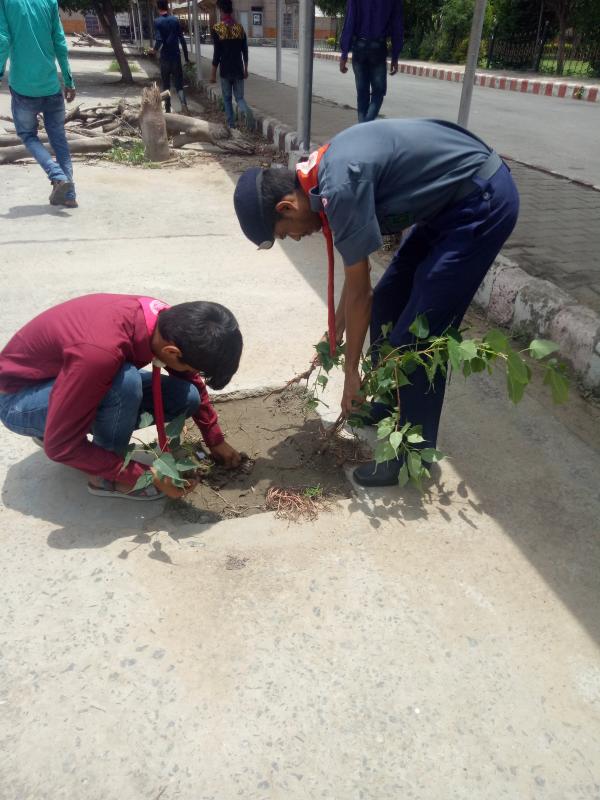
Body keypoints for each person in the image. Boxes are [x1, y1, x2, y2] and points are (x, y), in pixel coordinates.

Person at [232, 118, 519, 487]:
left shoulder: (339, 187)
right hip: (447, 206)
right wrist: (336, 330)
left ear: (287, 207)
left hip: (481, 203)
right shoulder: (317, 182)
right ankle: (386, 402)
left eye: (286, 233)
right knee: (387, 303)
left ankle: (411, 456)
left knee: (418, 337)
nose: (296, 237)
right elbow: (361, 287)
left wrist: (351, 373)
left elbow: (358, 291)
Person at [0, 294, 243, 500]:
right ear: (172, 352)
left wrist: (214, 439)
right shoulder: (99, 353)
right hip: (18, 400)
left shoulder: (165, 322)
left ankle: (65, 425)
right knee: (124, 383)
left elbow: (191, 380)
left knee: (186, 397)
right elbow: (59, 447)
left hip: (65, 380)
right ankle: (104, 479)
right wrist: (145, 475)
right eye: (195, 368)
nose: (195, 374)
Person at [0, 0, 77, 207]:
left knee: (27, 135)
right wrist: (69, 80)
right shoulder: (49, 1)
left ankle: (57, 176)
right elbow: (59, 41)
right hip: (51, 87)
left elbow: (3, 40)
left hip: (23, 88)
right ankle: (69, 195)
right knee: (59, 139)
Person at [339, 0, 403, 123]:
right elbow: (397, 25)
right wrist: (395, 55)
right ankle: (364, 129)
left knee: (362, 94)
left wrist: (344, 53)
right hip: (378, 47)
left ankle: (362, 129)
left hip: (359, 45)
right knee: (378, 93)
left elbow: (350, 21)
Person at [210, 0, 253, 130]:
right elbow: (244, 51)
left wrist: (212, 75)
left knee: (227, 99)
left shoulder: (217, 29)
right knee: (240, 98)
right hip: (238, 69)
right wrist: (246, 69)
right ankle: (249, 116)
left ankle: (231, 126)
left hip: (225, 70)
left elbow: (217, 54)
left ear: (221, 11)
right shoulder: (239, 28)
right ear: (231, 11)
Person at [151, 0, 190, 115]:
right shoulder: (175, 20)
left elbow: (159, 40)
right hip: (176, 57)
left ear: (158, 8)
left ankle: (167, 111)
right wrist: (186, 57)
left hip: (165, 59)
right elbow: (182, 40)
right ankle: (184, 106)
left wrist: (154, 50)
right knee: (179, 84)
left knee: (166, 85)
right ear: (167, 7)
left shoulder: (157, 21)